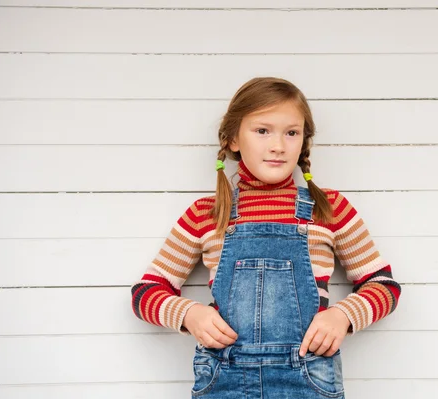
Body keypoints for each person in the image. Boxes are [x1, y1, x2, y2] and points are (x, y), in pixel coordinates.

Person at [130, 77, 401, 398]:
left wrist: (343, 316)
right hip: (224, 376)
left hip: (308, 377)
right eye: (262, 130)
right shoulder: (207, 213)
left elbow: (383, 285)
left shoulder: (328, 209)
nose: (278, 145)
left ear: (303, 142)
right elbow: (146, 291)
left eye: (291, 132)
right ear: (232, 138)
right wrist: (190, 315)